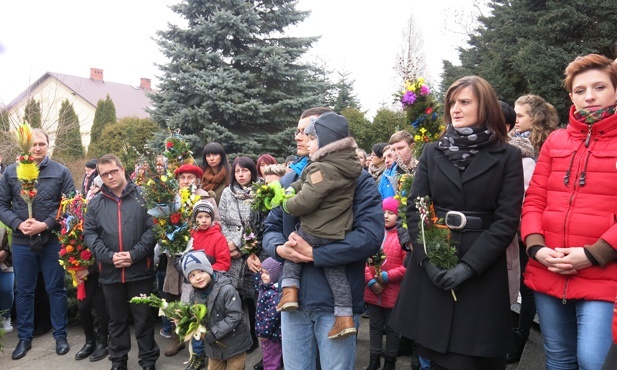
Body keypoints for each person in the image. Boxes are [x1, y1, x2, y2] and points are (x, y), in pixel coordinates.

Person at [390, 76, 524, 370]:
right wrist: (428, 260)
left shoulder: (508, 156)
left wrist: (468, 267)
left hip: (481, 272)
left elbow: (506, 221)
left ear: (484, 106)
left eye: (465, 102)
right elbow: (415, 209)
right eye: (452, 102)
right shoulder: (433, 152)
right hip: (435, 262)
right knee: (430, 356)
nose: (455, 109)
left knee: (471, 359)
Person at [263, 107, 384, 370]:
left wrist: (316, 254)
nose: (299, 137)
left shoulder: (359, 181)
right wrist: (279, 248)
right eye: (298, 131)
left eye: (306, 131)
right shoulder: (291, 180)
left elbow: (371, 237)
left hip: (335, 305)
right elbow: (270, 226)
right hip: (293, 302)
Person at [520, 53, 617, 369]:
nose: (589, 96)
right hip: (549, 268)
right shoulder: (555, 140)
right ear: (571, 97)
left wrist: (593, 254)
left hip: (603, 273)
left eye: (599, 87)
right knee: (558, 358)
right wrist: (536, 247)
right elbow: (534, 199)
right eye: (579, 90)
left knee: (594, 361)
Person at [276, 112, 362, 340]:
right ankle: (344, 317)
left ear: (324, 141)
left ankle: (289, 292)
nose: (306, 141)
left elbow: (307, 200)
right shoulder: (344, 165)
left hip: (315, 230)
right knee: (336, 275)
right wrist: (293, 187)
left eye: (311, 138)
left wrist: (287, 204)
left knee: (293, 248)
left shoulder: (322, 168)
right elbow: (303, 182)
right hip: (336, 233)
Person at [0, 128, 75, 360]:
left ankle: (60, 335)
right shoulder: (11, 172)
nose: (37, 148)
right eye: (33, 144)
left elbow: (70, 204)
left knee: (56, 289)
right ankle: (24, 338)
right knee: (24, 291)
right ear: (26, 147)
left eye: (42, 143)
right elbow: (2, 205)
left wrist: (46, 224)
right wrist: (19, 224)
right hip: (22, 242)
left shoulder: (61, 171)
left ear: (48, 145)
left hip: (51, 240)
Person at [84, 154, 159, 370]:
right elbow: (90, 234)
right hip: (110, 272)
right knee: (115, 320)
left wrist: (134, 254)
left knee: (143, 318)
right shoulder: (96, 203)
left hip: (139, 270)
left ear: (122, 169)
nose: (109, 176)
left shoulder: (143, 196)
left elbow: (153, 227)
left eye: (113, 171)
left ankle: (148, 360)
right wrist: (109, 257)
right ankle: (118, 361)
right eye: (104, 174)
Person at [181, 250, 253, 370]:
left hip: (235, 344)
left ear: (209, 269)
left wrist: (213, 333)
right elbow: (196, 315)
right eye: (192, 275)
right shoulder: (194, 293)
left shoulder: (227, 290)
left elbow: (234, 316)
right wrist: (186, 322)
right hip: (213, 347)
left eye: (201, 271)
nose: (198, 277)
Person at [218, 156, 260, 352]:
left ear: (252, 171)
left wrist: (240, 247)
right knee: (234, 299)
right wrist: (229, 245)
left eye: (245, 170)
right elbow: (222, 221)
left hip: (252, 253)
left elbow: (258, 225)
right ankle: (237, 338)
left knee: (252, 299)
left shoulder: (260, 193)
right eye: (237, 171)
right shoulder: (227, 193)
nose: (241, 175)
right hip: (231, 254)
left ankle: (254, 337)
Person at [364, 197, 407, 370]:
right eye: (384, 212)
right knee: (374, 326)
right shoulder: (375, 234)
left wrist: (386, 276)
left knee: (392, 328)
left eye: (391, 213)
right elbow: (363, 261)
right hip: (373, 290)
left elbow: (407, 266)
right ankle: (373, 360)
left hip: (393, 291)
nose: (386, 216)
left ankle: (390, 361)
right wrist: (372, 280)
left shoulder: (402, 238)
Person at [255, 257, 283, 370]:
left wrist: (263, 333)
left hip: (271, 335)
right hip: (272, 333)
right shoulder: (267, 287)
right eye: (262, 272)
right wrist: (258, 270)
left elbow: (271, 317)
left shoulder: (274, 295)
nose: (263, 275)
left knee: (270, 359)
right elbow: (258, 283)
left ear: (276, 275)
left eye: (267, 273)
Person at [0, 222, 13, 334]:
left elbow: (13, 232)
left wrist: (6, 250)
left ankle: (6, 317)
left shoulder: (4, 209)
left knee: (6, 289)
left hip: (6, 261)